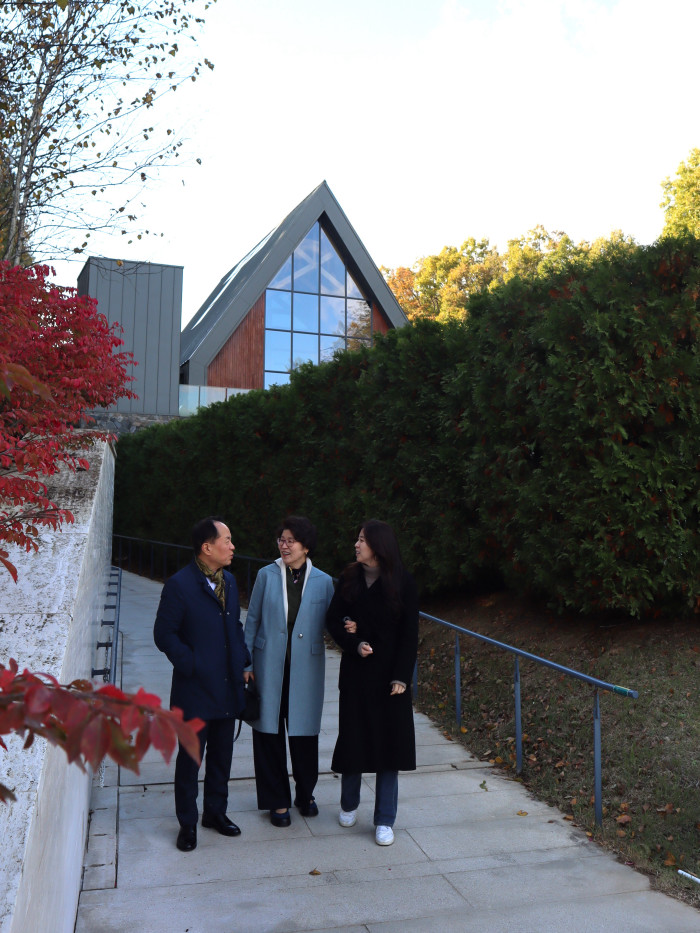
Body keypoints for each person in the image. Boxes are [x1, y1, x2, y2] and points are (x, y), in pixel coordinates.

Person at [153, 516, 250, 852]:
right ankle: (188, 823)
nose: (233, 546)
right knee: (190, 760)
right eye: (227, 540)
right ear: (207, 547)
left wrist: (243, 659)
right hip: (194, 690)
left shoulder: (230, 581)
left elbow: (234, 626)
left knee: (222, 756)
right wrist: (192, 664)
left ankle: (215, 813)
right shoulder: (179, 585)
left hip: (227, 686)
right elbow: (164, 634)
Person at [325, 519, 419, 846]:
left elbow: (409, 634)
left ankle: (385, 820)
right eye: (357, 538)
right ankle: (348, 804)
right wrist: (353, 642)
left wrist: (401, 676)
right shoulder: (349, 578)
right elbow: (333, 619)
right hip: (356, 673)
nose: (356, 544)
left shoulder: (403, 582)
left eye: (362, 539)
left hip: (390, 678)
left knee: (389, 748)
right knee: (353, 740)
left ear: (378, 545)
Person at [243, 516, 334, 827]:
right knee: (268, 734)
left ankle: (305, 794)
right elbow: (252, 621)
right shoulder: (266, 575)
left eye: (291, 541)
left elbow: (333, 622)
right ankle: (276, 800)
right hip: (268, 668)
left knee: (304, 735)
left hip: (306, 671)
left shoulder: (323, 581)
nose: (284, 545)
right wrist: (246, 663)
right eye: (281, 539)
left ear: (305, 547)